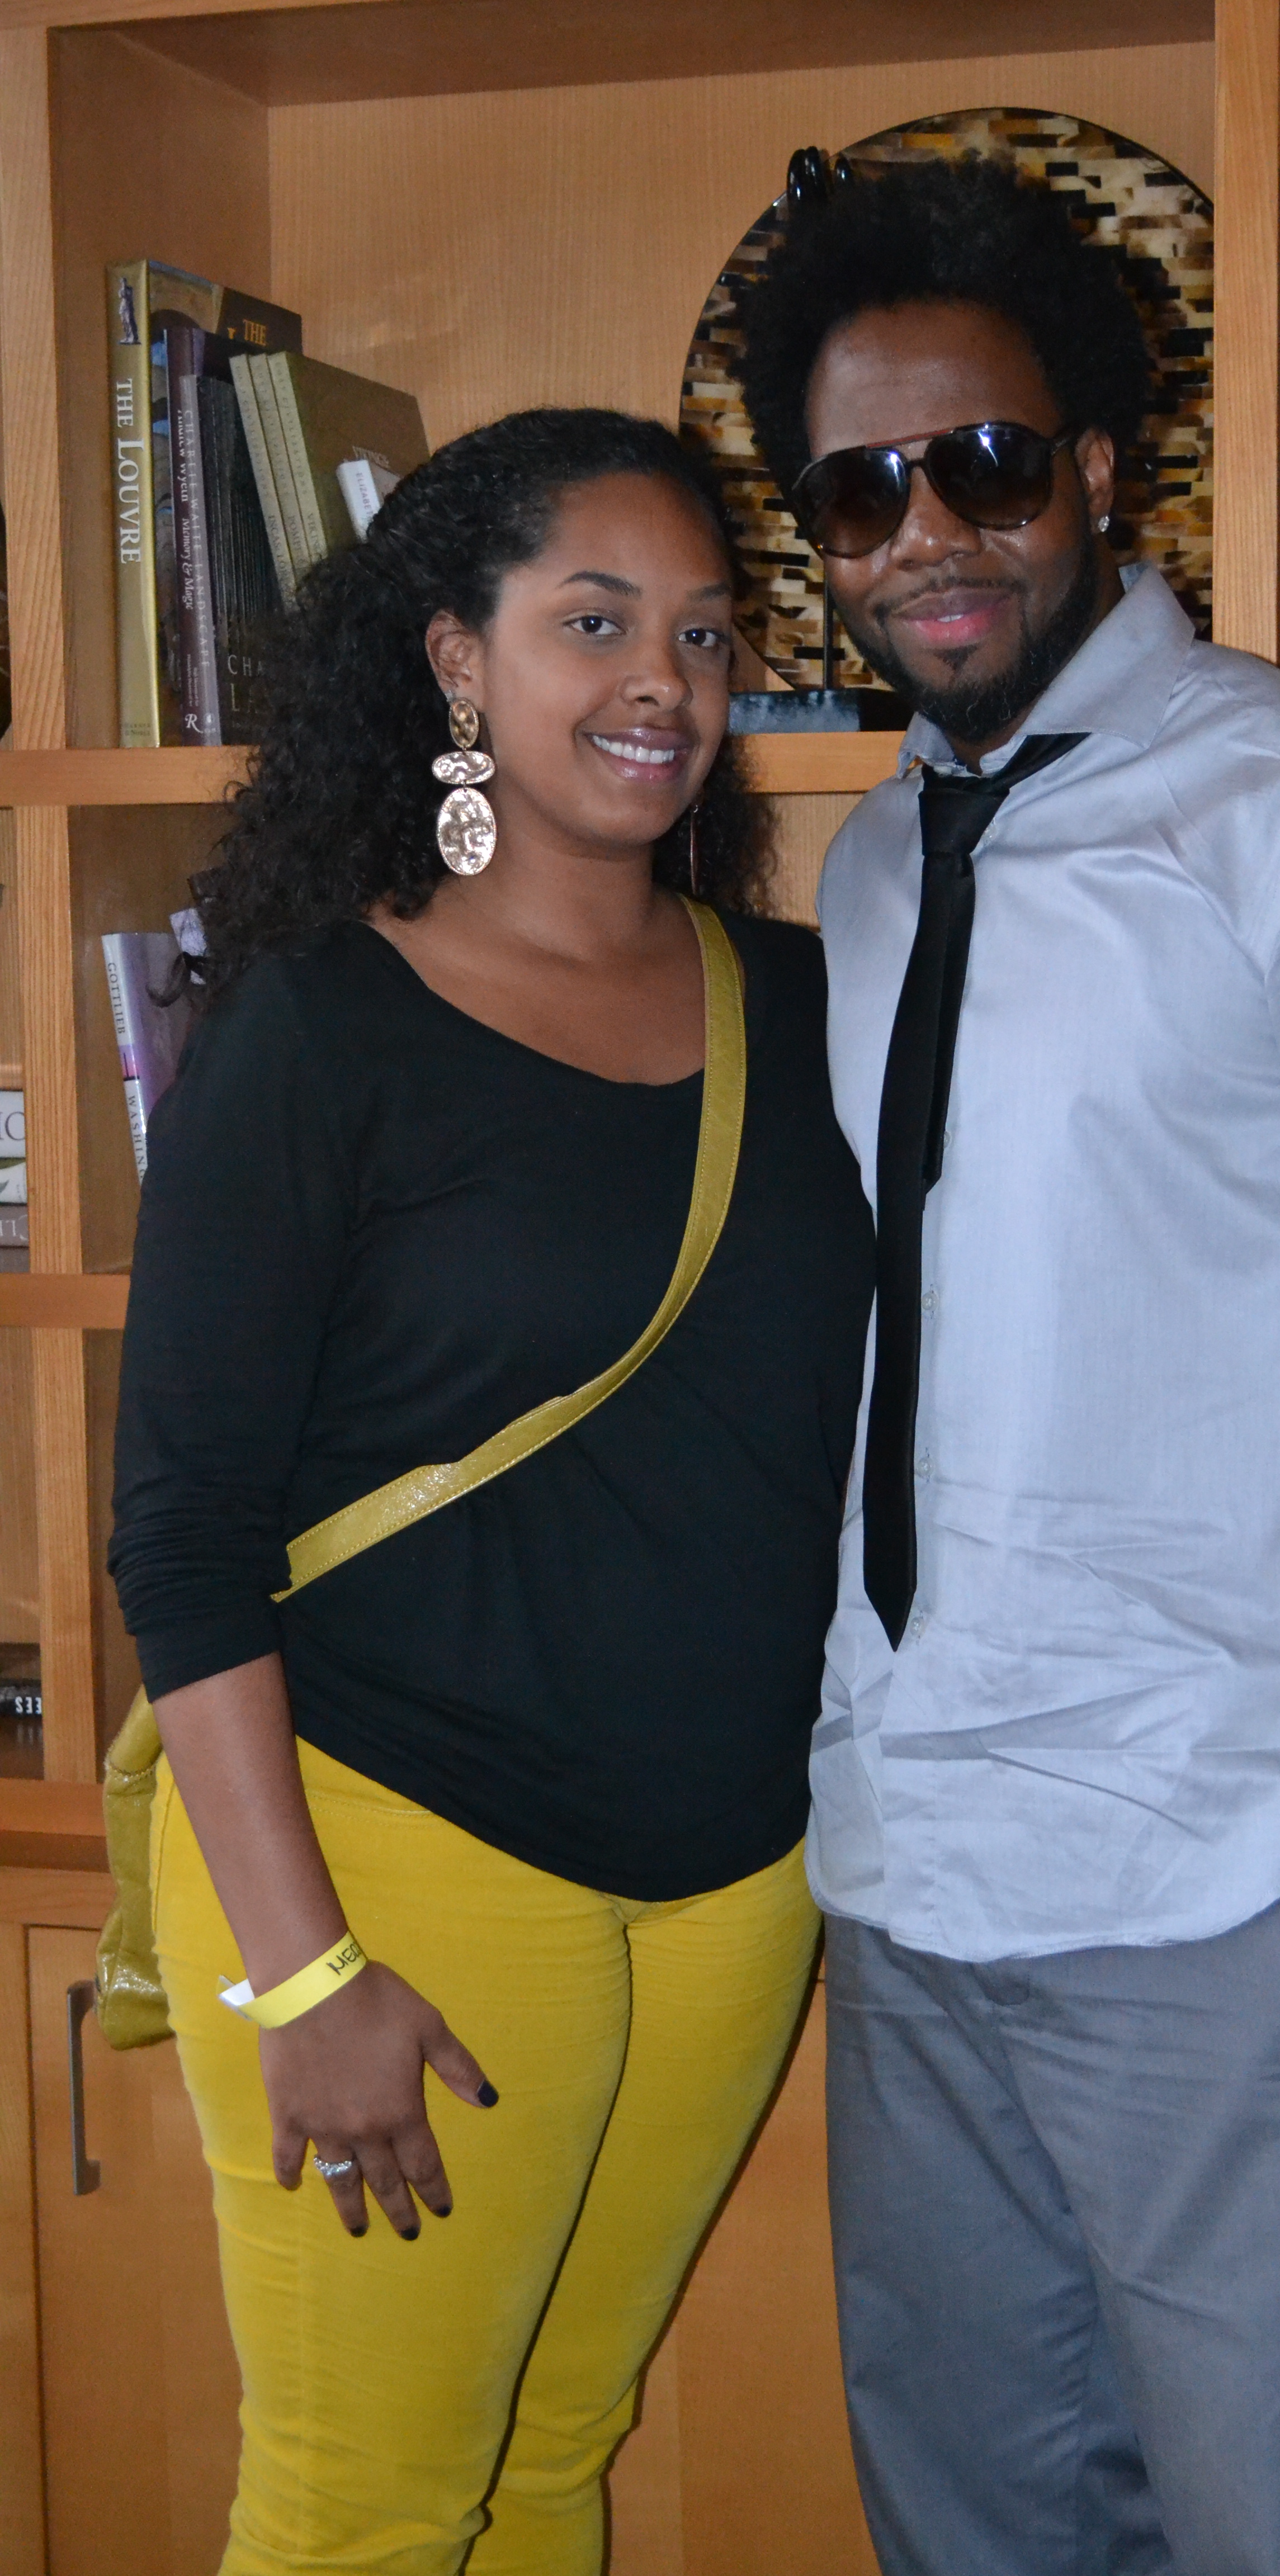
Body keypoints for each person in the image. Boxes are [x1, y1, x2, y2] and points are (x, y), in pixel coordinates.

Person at [738, 159, 1280, 2575]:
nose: (929, 534)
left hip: (1231, 1883)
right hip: (911, 1871)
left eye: (987, 464)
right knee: (974, 2538)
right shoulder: (870, 866)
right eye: (862, 493)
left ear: (1100, 466)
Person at [107, 407, 873, 2575]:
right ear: (460, 658)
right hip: (403, 1864)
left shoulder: (804, 1003)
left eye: (706, 635)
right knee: (365, 2515)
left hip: (736, 1882)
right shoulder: (315, 1031)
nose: (666, 684)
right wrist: (301, 1978)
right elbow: (184, 1533)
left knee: (554, 2464)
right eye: (595, 624)